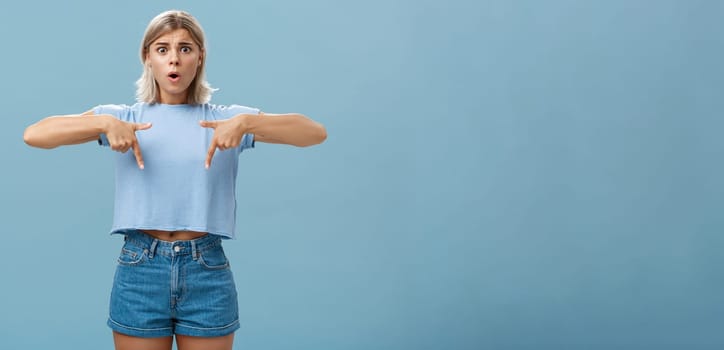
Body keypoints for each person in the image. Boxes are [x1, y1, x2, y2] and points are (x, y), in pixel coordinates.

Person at [23, 9, 326, 350]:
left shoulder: (225, 120)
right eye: (163, 49)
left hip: (205, 268)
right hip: (140, 267)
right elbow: (35, 134)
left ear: (200, 57)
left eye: (185, 48)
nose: (175, 60)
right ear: (147, 57)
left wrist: (246, 124)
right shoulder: (124, 117)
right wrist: (102, 125)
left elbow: (313, 133)